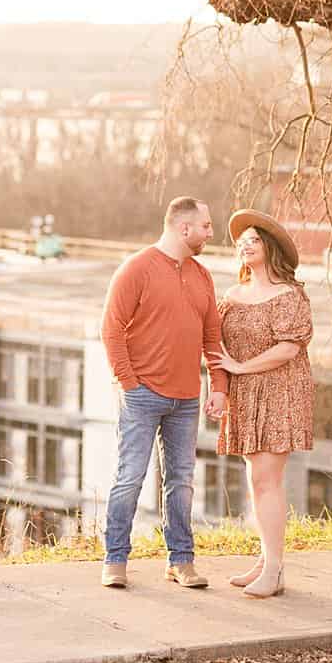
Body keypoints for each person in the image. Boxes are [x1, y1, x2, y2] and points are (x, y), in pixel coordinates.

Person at [99, 196, 229, 590]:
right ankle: (115, 559)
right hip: (142, 396)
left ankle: (181, 561)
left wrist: (219, 387)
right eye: (206, 226)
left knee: (182, 482)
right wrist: (129, 383)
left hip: (187, 399)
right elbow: (112, 329)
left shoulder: (203, 276)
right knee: (130, 477)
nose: (211, 232)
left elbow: (213, 338)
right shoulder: (136, 269)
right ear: (183, 228)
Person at [208, 209, 315, 599]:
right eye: (241, 240)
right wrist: (219, 385)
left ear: (269, 247)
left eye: (253, 239)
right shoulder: (231, 298)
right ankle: (266, 559)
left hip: (279, 390)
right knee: (257, 482)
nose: (244, 244)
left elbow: (288, 348)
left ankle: (274, 569)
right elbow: (214, 346)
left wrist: (242, 366)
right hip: (247, 395)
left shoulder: (289, 295)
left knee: (267, 480)